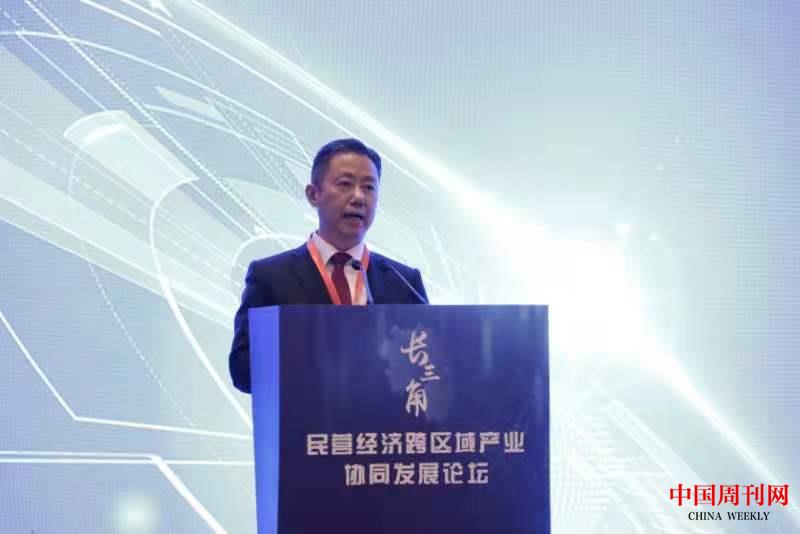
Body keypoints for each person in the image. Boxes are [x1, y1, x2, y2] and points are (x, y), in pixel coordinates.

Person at [229, 138, 428, 393]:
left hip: (383, 419)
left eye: (369, 187)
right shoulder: (271, 276)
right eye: (345, 184)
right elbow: (242, 371)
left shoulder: (404, 282)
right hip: (306, 417)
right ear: (314, 194)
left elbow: (429, 364)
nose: (359, 197)